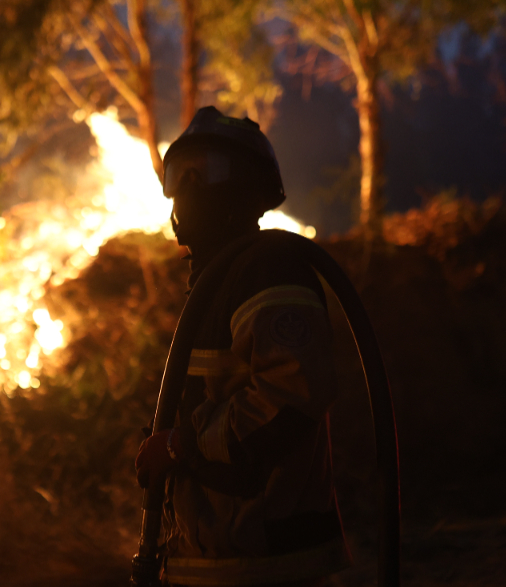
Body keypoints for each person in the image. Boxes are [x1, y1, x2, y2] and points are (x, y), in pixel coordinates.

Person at [134, 107, 351, 586]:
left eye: (206, 170)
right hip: (221, 557)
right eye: (178, 174)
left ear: (248, 186)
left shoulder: (268, 271)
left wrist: (177, 445)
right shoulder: (218, 279)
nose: (188, 187)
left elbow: (289, 398)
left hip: (268, 560)